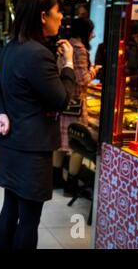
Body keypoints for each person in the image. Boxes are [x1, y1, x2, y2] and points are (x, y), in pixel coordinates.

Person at [0, 0, 76, 250]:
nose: (61, 17)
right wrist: (69, 64)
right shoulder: (39, 54)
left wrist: (1, 112)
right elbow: (62, 99)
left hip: (10, 144)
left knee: (10, 207)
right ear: (42, 16)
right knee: (29, 219)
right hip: (32, 149)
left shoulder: (11, 48)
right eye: (58, 12)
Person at [52, 18, 100, 196]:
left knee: (61, 141)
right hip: (76, 104)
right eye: (91, 31)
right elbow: (81, 79)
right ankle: (71, 185)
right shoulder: (80, 50)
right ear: (84, 32)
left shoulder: (65, 46)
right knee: (77, 144)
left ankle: (55, 178)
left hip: (63, 100)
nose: (93, 35)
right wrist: (94, 70)